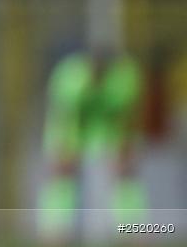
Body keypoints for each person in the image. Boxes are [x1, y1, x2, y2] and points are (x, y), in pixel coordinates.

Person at [38, 48, 146, 245]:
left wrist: (124, 147)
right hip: (73, 126)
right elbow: (64, 114)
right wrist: (64, 148)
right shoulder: (70, 77)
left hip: (108, 126)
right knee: (62, 178)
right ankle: (55, 234)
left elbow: (126, 114)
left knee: (125, 176)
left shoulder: (125, 78)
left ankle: (134, 232)